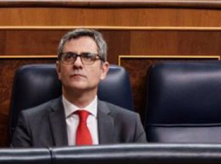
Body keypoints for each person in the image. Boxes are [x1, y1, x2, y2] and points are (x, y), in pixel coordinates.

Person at [10, 28, 146, 147]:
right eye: (69, 57)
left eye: (88, 57)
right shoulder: (30, 123)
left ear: (103, 70)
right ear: (58, 69)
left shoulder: (130, 124)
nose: (78, 64)